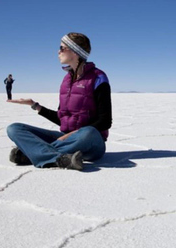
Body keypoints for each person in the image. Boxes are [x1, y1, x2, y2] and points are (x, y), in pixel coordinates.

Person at [6, 32, 112, 170]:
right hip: (65, 139)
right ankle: (59, 158)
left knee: (88, 132)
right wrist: (35, 105)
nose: (58, 51)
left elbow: (105, 121)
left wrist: (70, 135)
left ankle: (34, 154)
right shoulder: (66, 80)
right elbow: (62, 119)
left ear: (75, 51)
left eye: (62, 48)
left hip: (90, 142)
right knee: (14, 128)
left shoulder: (98, 78)